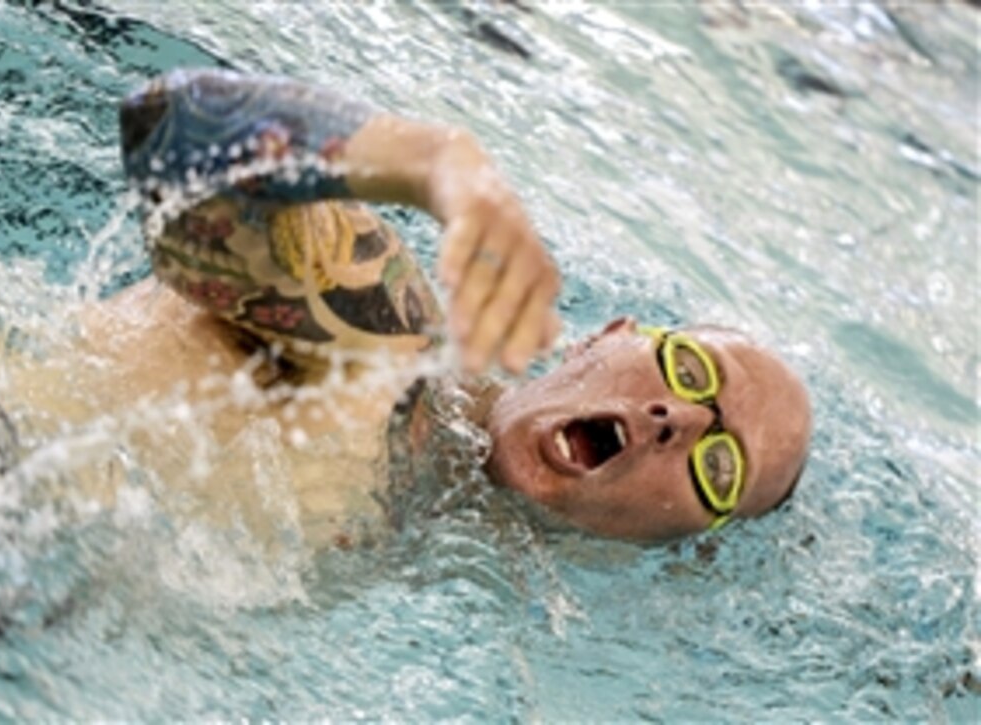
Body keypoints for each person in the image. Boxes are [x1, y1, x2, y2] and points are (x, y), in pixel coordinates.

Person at [57, 68, 810, 546]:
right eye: (686, 368)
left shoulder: (422, 538)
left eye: (719, 464)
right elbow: (173, 128)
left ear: (681, 543)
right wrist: (435, 165)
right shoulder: (385, 341)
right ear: (603, 337)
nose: (673, 417)